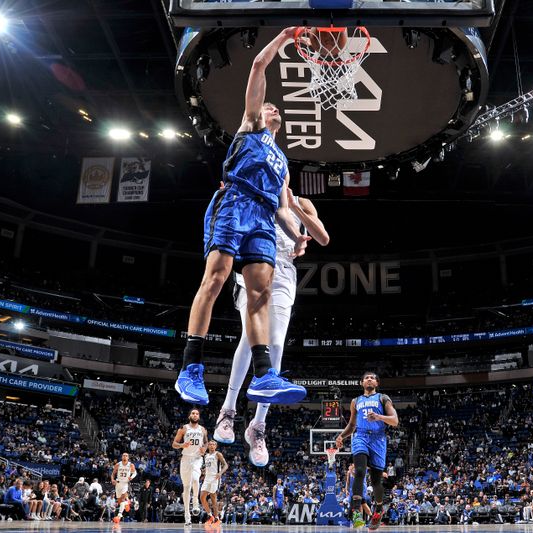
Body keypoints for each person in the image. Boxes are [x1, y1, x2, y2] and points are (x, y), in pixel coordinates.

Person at [174, 27, 311, 407]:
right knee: (216, 279)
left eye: (276, 109)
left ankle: (265, 375)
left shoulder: (282, 161)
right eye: (270, 106)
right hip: (235, 203)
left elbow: (283, 208)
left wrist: (296, 235)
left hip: (265, 218)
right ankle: (191, 368)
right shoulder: (250, 125)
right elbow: (258, 63)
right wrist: (285, 36)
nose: (274, 108)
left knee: (261, 293)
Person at [214, 186, 329, 466]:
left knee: (276, 343)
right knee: (250, 339)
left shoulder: (300, 201)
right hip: (253, 265)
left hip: (284, 273)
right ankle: (228, 410)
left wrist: (294, 206)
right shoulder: (251, 191)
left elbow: (323, 237)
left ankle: (258, 425)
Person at [335, 371, 399, 530]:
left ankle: (378, 509)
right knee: (360, 470)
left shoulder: (383, 398)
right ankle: (356, 511)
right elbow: (351, 425)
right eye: (366, 378)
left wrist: (379, 417)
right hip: (360, 436)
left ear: (377, 383)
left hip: (378, 438)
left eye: (372, 378)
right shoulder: (355, 401)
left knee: (376, 480)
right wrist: (341, 436)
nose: (369, 379)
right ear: (362, 383)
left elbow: (395, 420)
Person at [173, 408, 208, 525]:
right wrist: (182, 444)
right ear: (189, 416)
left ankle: (196, 502)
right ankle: (187, 515)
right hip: (185, 459)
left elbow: (206, 442)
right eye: (193, 413)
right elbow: (174, 444)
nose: (195, 415)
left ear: (199, 416)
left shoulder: (202, 429)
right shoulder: (183, 428)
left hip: (197, 458)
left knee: (195, 478)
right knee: (186, 487)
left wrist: (205, 448)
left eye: (197, 413)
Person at [200, 440, 228, 524]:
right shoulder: (206, 456)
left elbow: (226, 465)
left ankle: (216, 518)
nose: (212, 446)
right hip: (207, 478)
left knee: (213, 498)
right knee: (202, 497)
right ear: (208, 446)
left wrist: (220, 473)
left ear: (215, 446)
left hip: (215, 477)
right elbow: (208, 467)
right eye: (210, 444)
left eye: (213, 444)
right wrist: (203, 471)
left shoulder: (218, 454)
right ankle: (210, 515)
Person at [110, 453, 137, 524]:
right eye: (123, 455)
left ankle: (118, 517)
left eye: (126, 456)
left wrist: (132, 477)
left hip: (125, 483)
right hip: (118, 484)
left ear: (128, 457)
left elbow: (135, 473)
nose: (124, 456)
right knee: (120, 502)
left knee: (122, 500)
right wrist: (112, 480)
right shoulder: (118, 465)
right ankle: (127, 502)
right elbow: (113, 474)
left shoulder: (131, 465)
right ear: (121, 457)